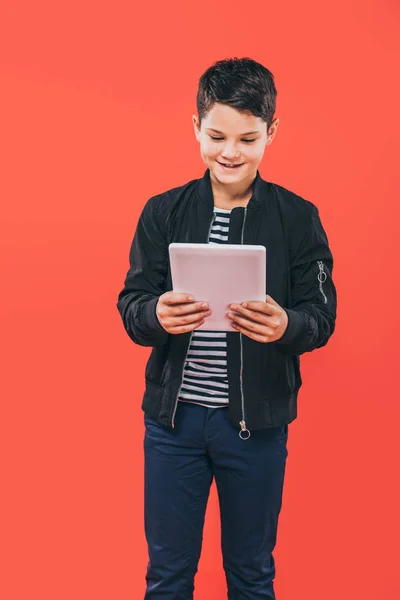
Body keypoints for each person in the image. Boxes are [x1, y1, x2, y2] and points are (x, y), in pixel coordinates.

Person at [116, 57, 337, 600]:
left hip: (256, 428)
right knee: (167, 578)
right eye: (216, 135)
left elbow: (322, 316)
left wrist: (286, 323)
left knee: (252, 575)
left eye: (248, 137)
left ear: (272, 132)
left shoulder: (298, 217)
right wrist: (153, 315)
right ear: (195, 127)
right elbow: (131, 304)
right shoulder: (162, 212)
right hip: (173, 426)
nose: (230, 152)